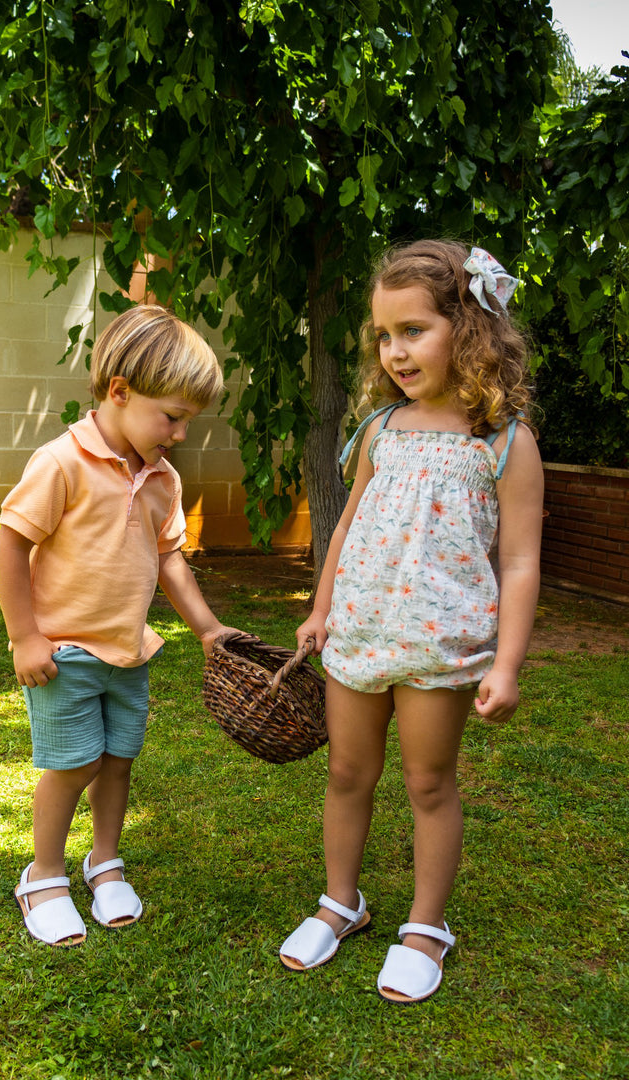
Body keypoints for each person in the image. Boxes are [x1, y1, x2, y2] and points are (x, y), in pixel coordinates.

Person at [279, 241, 544, 1003]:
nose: (394, 351)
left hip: (441, 645)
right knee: (346, 772)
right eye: (384, 335)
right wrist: (321, 607)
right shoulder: (380, 431)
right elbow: (347, 527)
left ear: (470, 330)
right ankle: (342, 902)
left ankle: (427, 925)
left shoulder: (504, 443)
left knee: (429, 782)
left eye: (413, 330)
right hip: (358, 634)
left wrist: (506, 664)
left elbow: (521, 563)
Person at [0, 304, 235, 947]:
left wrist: (209, 629)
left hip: (128, 651)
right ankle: (43, 875)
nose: (181, 433)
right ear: (120, 392)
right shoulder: (61, 463)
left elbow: (168, 558)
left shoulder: (162, 478)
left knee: (117, 760)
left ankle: (104, 862)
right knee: (72, 766)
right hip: (64, 651)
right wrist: (25, 636)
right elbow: (11, 546)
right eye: (174, 416)